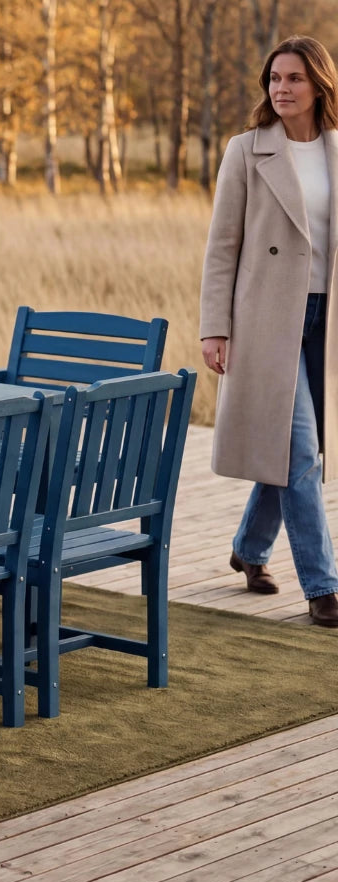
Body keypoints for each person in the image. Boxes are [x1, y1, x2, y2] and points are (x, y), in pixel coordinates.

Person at [201, 35, 338, 627]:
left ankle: (249, 550)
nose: (281, 89)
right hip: (265, 318)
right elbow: (221, 247)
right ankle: (323, 587)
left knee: (296, 449)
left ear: (319, 87)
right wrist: (215, 328)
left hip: (326, 320)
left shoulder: (337, 151)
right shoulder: (246, 150)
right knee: (301, 450)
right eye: (274, 79)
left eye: (294, 80)